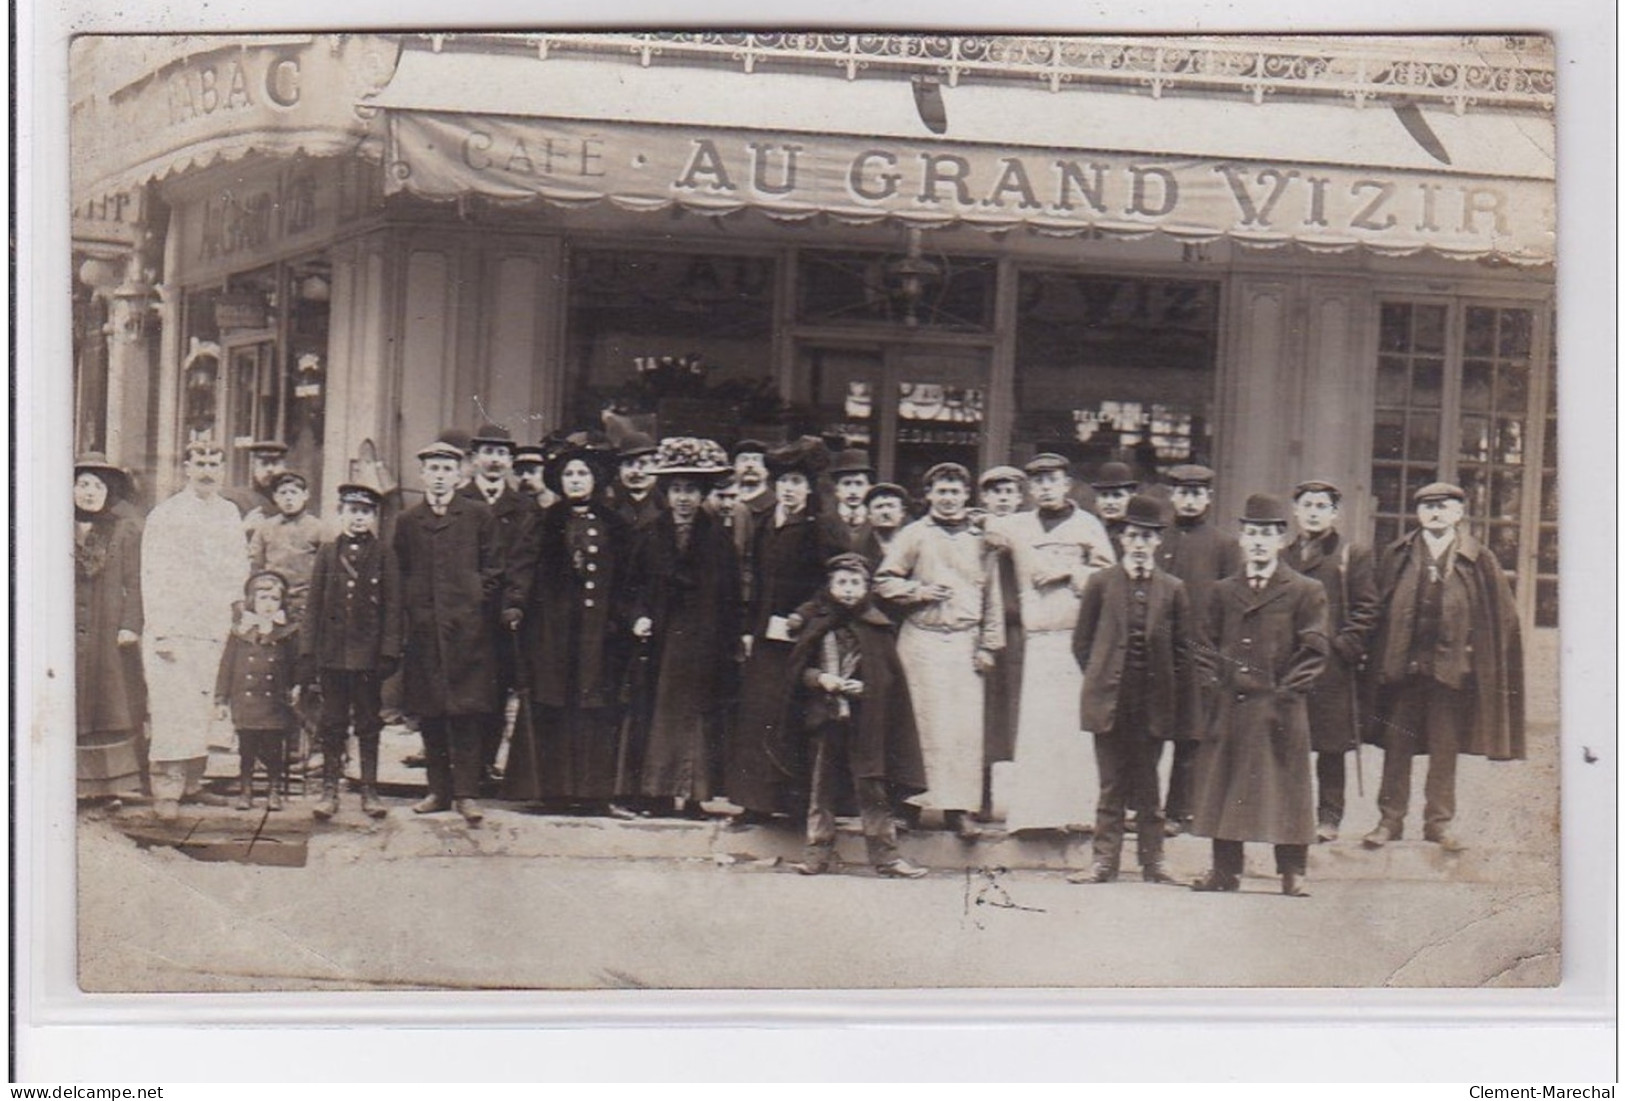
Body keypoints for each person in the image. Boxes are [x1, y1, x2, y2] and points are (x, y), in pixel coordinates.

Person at [1363, 483, 1525, 853]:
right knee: (1396, 746)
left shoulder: (1477, 557)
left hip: (1452, 672)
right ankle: (1389, 820)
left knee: (1444, 747)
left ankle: (1438, 822)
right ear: (1418, 514)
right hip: (1405, 669)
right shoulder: (1398, 554)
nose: (1435, 512)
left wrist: (1477, 655)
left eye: (1444, 506)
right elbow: (1378, 606)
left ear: (1458, 513)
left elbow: (1502, 616)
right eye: (1427, 506)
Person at [1189, 494, 1328, 897]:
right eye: (1251, 533)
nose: (1259, 542)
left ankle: (1293, 871)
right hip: (1231, 704)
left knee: (1289, 789)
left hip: (1281, 706)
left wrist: (1286, 694)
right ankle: (1224, 870)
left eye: (1267, 534)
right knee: (1226, 784)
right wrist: (1214, 687)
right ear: (1241, 539)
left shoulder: (1305, 589)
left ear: (1282, 540)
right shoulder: (1222, 591)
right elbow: (1203, 645)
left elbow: (1314, 648)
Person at [1068, 494, 1196, 884]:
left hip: (1152, 703)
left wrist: (1167, 694)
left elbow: (1182, 650)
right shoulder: (1100, 583)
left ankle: (1153, 862)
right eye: (1134, 536)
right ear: (1123, 538)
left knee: (1148, 784)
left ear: (1159, 542)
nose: (1140, 544)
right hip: (1110, 700)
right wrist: (1103, 675)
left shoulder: (1173, 588)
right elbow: (1082, 643)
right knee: (1110, 785)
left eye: (1148, 537)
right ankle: (1103, 862)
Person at [874, 462, 1005, 840]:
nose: (948, 498)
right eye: (941, 490)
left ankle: (958, 811)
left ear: (967, 496)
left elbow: (991, 595)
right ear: (929, 494)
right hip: (921, 639)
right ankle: (908, 807)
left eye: (955, 490)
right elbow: (883, 580)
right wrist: (918, 592)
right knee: (917, 725)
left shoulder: (982, 540)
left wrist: (989, 645)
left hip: (964, 642)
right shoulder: (914, 534)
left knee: (962, 730)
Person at [502, 441, 634, 815]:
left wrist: (622, 619)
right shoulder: (545, 521)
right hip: (553, 634)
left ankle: (593, 795)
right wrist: (515, 604)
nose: (576, 481)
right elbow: (522, 567)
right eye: (569, 475)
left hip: (599, 636)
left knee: (594, 709)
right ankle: (553, 791)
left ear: (595, 479)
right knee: (554, 704)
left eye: (583, 474)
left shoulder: (614, 524)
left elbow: (627, 578)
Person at [992, 454, 1117, 835]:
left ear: (1067, 484)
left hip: (1077, 640)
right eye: (1038, 481)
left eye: (1053, 480)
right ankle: (1036, 817)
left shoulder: (1087, 525)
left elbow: (1110, 575)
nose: (1046, 487)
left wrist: (1069, 571)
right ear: (1029, 489)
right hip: (1037, 640)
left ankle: (1078, 813)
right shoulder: (1015, 526)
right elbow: (977, 535)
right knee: (1038, 729)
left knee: (1074, 729)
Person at [785, 554, 931, 879]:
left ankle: (886, 857)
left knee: (871, 789)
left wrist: (866, 687)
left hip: (866, 722)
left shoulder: (876, 626)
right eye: (841, 583)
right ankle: (817, 853)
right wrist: (822, 679)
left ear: (866, 587)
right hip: (824, 718)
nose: (848, 590)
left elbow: (887, 679)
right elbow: (798, 669)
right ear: (830, 586)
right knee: (821, 788)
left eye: (855, 583)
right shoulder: (818, 623)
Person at [626, 438, 744, 816]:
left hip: (703, 642)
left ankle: (693, 795)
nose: (683, 499)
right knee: (659, 715)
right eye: (676, 489)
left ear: (702, 494)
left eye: (691, 490)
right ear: (667, 492)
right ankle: (657, 793)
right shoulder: (650, 532)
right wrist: (638, 616)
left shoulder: (719, 538)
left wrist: (728, 640)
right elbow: (633, 585)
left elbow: (729, 594)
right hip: (660, 640)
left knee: (697, 717)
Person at [729, 436, 840, 823]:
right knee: (757, 715)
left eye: (797, 482)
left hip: (801, 638)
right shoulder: (766, 523)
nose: (789, 490)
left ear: (809, 487)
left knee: (791, 717)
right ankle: (754, 802)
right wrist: (748, 626)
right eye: (784, 482)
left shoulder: (818, 526)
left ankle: (792, 806)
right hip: (765, 636)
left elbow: (835, 580)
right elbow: (754, 578)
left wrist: (804, 613)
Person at [395, 440, 502, 826]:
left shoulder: (477, 516)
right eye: (433, 470)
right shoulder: (408, 521)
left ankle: (467, 794)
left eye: (446, 470)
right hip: (425, 634)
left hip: (468, 634)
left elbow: (494, 568)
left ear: (460, 475)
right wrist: (415, 612)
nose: (439, 477)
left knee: (466, 715)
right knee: (432, 714)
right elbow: (401, 571)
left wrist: (474, 604)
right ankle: (438, 791)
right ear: (422, 475)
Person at [141, 439, 249, 819]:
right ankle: (166, 789)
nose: (207, 470)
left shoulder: (229, 513)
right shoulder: (166, 514)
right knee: (173, 707)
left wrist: (237, 607)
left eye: (214, 463)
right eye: (200, 462)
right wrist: (163, 630)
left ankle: (192, 783)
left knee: (201, 707)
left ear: (223, 469)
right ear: (186, 467)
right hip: (174, 625)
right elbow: (153, 575)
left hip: (212, 625)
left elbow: (238, 566)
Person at [1281, 480, 1380, 842]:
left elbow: (1368, 608)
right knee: (1289, 740)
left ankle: (1329, 817)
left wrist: (1343, 646)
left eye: (1322, 506)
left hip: (1332, 667)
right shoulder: (1283, 556)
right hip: (1291, 662)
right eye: (1307, 504)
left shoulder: (1350, 555)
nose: (1313, 512)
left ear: (1334, 513)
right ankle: (1290, 812)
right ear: (1295, 510)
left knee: (1330, 746)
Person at [301, 484, 403, 820]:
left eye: (365, 512)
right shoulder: (328, 553)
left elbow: (393, 606)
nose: (359, 518)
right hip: (332, 654)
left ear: (373, 517)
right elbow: (313, 606)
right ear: (341, 513)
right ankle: (329, 790)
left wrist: (389, 651)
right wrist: (308, 652)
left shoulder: (385, 554)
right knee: (332, 722)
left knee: (369, 722)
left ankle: (369, 790)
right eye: (352, 511)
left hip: (368, 657)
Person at [1155, 463, 1243, 836]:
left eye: (1197, 494)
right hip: (1157, 649)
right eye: (1183, 493)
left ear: (1208, 498)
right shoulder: (1157, 538)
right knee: (1151, 730)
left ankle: (1181, 810)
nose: (1189, 501)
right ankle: (1142, 807)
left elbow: (1232, 599)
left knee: (1192, 734)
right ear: (1172, 496)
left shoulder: (1224, 545)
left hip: (1199, 649)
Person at [459, 422, 534, 788]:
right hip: (465, 613)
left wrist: (514, 604)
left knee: (498, 689)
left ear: (510, 462)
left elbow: (523, 560)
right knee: (465, 689)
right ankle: (462, 768)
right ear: (474, 459)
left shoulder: (522, 507)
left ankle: (487, 764)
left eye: (501, 454)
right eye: (487, 453)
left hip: (503, 616)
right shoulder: (461, 501)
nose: (493, 461)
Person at [73, 453, 146, 802]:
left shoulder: (123, 530)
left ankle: (109, 786)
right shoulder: (52, 524)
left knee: (106, 703)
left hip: (106, 629)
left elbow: (136, 580)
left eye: (97, 486)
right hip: (66, 630)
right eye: (83, 484)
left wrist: (131, 624)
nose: (89, 493)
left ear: (109, 491)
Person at [214, 571, 300, 812]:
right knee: (247, 749)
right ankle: (246, 790)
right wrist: (221, 699)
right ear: (252, 600)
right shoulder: (240, 631)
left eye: (274, 599)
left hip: (274, 701)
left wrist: (298, 686)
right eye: (263, 599)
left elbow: (296, 664)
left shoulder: (287, 632)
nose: (268, 605)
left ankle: (273, 790)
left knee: (274, 748)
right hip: (246, 700)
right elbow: (227, 665)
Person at [976, 466, 1027, 815]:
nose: (1003, 498)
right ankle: (980, 797)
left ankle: (1029, 802)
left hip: (1020, 631)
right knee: (982, 717)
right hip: (981, 632)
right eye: (996, 492)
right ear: (984, 498)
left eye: (1009, 491)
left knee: (1021, 717)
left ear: (1020, 497)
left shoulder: (1030, 531)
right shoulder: (973, 531)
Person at [248, 471, 323, 624]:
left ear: (305, 495)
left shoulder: (318, 528)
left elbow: (326, 570)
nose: (288, 497)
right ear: (275, 497)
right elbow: (255, 565)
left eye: (294, 492)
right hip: (272, 602)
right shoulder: (265, 527)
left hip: (306, 603)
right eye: (283, 493)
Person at [224, 440, 288, 534]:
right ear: (254, 467)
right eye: (264, 464)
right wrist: (244, 527)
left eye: (275, 464)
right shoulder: (236, 500)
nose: (270, 469)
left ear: (284, 468)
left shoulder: (292, 500)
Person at [821, 448, 877, 556]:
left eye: (859, 483)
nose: (853, 491)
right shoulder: (823, 523)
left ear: (869, 487)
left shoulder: (876, 521)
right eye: (847, 484)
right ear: (836, 488)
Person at [607, 431, 664, 531]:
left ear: (656, 466)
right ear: (619, 470)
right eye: (629, 464)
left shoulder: (667, 508)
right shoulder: (608, 509)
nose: (635, 471)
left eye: (643, 463)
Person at [1089, 461, 1138, 555]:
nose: (1109, 502)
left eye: (1117, 495)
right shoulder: (1088, 531)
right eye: (1104, 495)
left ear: (1132, 498)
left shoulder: (1138, 535)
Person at [513, 444, 554, 510]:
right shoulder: (509, 509)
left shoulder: (564, 508)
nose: (525, 477)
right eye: (519, 472)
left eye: (532, 471)